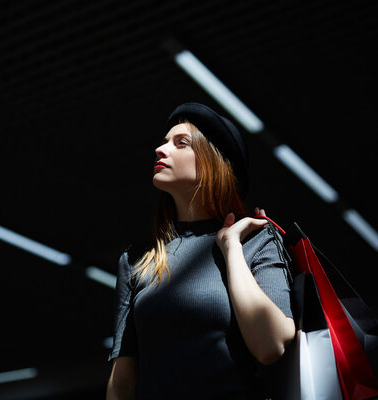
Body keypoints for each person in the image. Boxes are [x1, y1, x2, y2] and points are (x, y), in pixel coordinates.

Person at [105, 103, 296, 400]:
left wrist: (231, 248)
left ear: (213, 161)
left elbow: (270, 346)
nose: (160, 149)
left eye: (180, 143)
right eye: (165, 140)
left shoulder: (256, 240)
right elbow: (122, 384)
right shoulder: (138, 259)